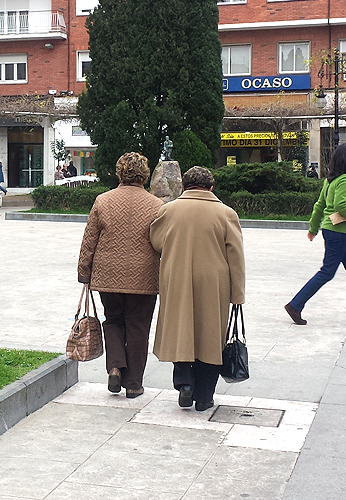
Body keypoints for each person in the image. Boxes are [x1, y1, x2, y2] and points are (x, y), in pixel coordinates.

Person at [150, 166, 245, 412]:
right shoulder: (226, 213)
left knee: (181, 331)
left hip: (177, 278)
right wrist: (238, 294)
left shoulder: (168, 211)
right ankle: (204, 396)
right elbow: (235, 256)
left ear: (184, 186)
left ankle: (184, 384)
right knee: (211, 337)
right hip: (215, 283)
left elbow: (157, 242)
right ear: (211, 187)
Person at [78, 152, 163, 398]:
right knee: (138, 327)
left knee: (113, 320)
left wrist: (84, 271)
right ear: (144, 175)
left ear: (119, 173)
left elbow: (89, 241)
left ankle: (115, 367)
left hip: (107, 276)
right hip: (144, 277)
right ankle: (134, 384)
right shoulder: (157, 205)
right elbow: (161, 243)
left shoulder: (102, 201)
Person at [285, 143, 346, 326]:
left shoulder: (330, 180)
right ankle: (295, 305)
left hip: (334, 233)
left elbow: (319, 205)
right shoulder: (345, 180)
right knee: (327, 272)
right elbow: (340, 205)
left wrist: (313, 229)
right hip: (340, 234)